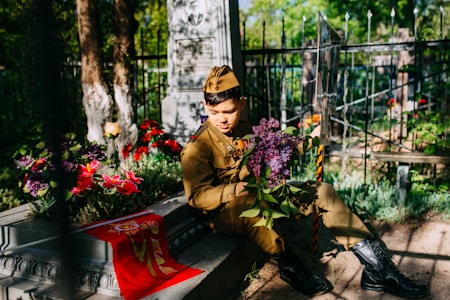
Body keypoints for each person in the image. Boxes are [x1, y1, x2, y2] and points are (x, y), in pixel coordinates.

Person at [180, 65, 428, 298]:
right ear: (205, 106)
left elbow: (278, 150)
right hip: (229, 213)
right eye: (214, 113)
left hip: (262, 196)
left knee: (323, 193)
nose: (222, 119)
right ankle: (290, 265)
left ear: (242, 104)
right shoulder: (197, 147)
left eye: (229, 111)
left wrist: (310, 139)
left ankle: (378, 269)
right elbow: (197, 197)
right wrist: (234, 189)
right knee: (248, 205)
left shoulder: (247, 129)